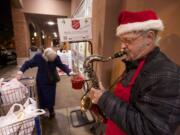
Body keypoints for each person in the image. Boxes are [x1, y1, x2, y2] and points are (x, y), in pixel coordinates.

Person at [89, 10, 180, 135]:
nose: (122, 47)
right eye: (122, 40)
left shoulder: (168, 76)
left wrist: (104, 99)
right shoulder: (136, 62)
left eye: (128, 40)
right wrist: (103, 98)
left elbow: (150, 130)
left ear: (149, 38)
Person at [16, 48, 71, 118]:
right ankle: (42, 111)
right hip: (41, 80)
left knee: (50, 97)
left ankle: (51, 111)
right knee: (42, 97)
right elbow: (28, 63)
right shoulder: (38, 57)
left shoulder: (56, 57)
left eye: (54, 58)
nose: (53, 60)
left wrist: (69, 71)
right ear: (46, 57)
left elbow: (61, 65)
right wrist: (20, 72)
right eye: (52, 59)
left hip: (52, 80)